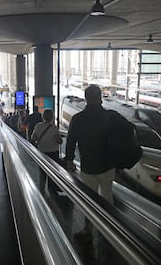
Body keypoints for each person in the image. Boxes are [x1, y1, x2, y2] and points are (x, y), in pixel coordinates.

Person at [65, 84, 134, 241]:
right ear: (100, 97)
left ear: (86, 98)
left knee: (89, 200)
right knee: (107, 196)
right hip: (108, 165)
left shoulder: (77, 119)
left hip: (88, 167)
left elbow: (70, 142)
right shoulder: (111, 116)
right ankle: (111, 230)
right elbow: (130, 129)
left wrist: (69, 160)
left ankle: (88, 230)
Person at [31, 109, 62, 194]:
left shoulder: (38, 126)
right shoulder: (54, 128)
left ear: (43, 117)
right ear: (52, 117)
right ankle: (52, 190)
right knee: (53, 172)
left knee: (42, 172)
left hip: (42, 152)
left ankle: (41, 190)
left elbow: (33, 138)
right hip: (53, 153)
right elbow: (59, 141)